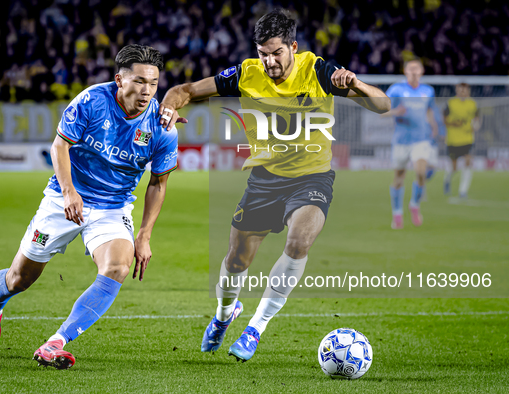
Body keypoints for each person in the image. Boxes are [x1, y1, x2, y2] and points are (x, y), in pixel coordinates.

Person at [159, 9, 390, 362]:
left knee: (299, 242)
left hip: (313, 177)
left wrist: (356, 84)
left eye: (276, 53)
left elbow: (383, 105)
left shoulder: (319, 71)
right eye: (262, 53)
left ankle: (256, 327)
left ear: (293, 48)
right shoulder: (245, 75)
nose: (269, 61)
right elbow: (184, 90)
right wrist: (168, 108)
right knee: (236, 261)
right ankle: (224, 316)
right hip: (264, 180)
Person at [0, 44, 183, 369]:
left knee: (118, 266)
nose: (147, 91)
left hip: (113, 208)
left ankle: (56, 342)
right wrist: (69, 191)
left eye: (154, 83)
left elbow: (158, 183)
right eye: (139, 81)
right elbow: (60, 145)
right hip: (64, 199)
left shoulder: (162, 127)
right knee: (20, 278)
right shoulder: (92, 100)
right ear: (120, 79)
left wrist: (144, 234)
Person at [383, 60, 438, 229]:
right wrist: (395, 112)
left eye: (417, 68)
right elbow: (382, 111)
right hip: (401, 140)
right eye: (410, 68)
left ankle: (414, 204)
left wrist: (434, 126)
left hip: (421, 139)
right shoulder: (396, 89)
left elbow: (429, 110)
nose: (414, 71)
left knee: (421, 172)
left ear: (422, 71)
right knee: (399, 178)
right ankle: (397, 213)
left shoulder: (428, 91)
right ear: (405, 71)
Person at [443, 83, 480, 198]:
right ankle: (447, 180)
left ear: (468, 91)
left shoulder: (473, 104)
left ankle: (463, 191)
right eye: (460, 90)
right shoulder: (451, 103)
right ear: (457, 91)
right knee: (454, 168)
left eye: (464, 90)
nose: (462, 92)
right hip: (453, 140)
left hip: (468, 139)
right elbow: (444, 120)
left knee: (468, 162)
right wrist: (454, 123)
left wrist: (476, 126)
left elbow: (477, 118)